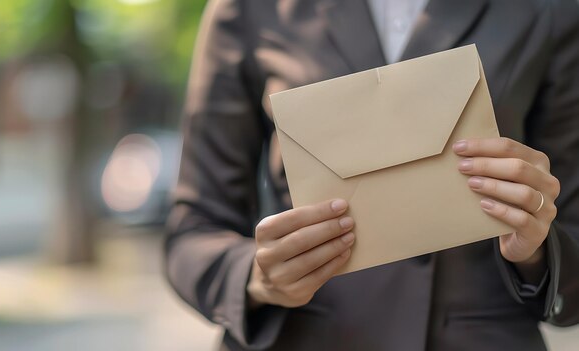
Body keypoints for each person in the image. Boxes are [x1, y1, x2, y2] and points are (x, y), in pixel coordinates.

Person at [163, 0, 579, 350]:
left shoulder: (548, 9)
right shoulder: (251, 8)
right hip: (309, 335)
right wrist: (257, 278)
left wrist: (537, 250)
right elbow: (193, 231)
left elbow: (572, 239)